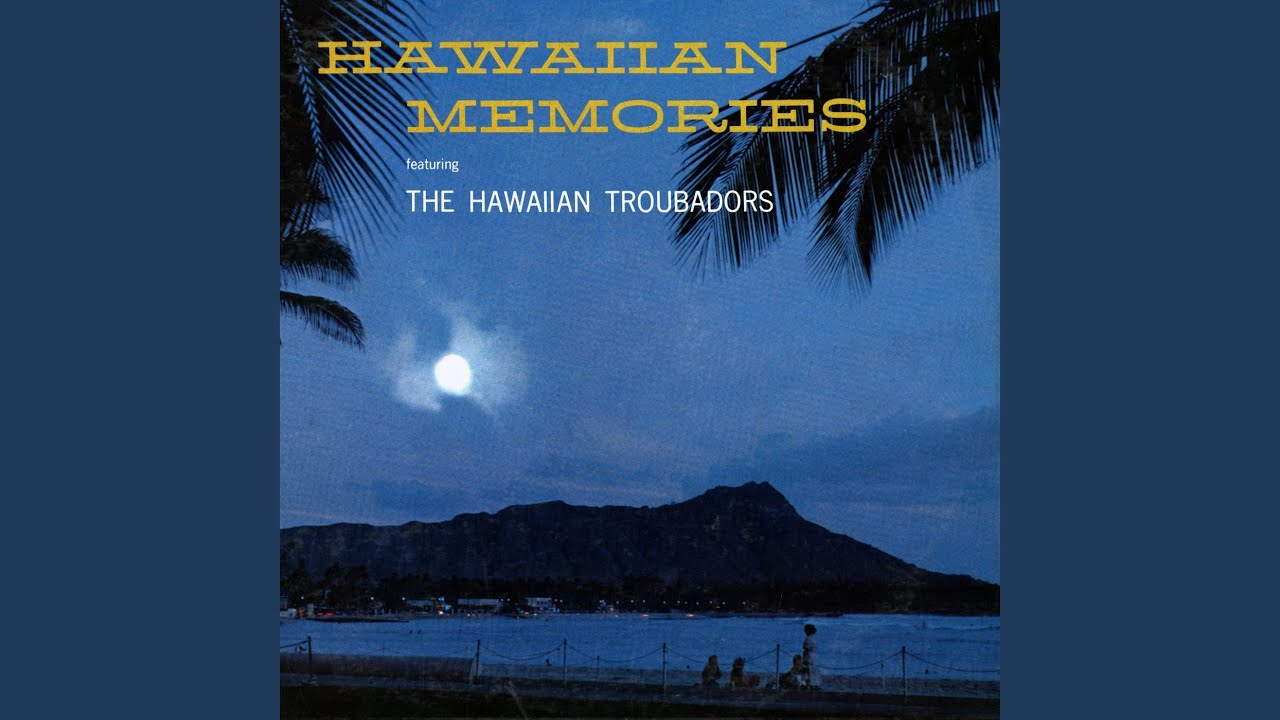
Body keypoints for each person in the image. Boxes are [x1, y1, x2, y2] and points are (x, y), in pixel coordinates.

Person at [802, 623, 821, 690]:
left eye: (805, 630)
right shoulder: (815, 638)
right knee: (814, 671)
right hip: (815, 656)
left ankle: (809, 685)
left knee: (808, 671)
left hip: (809, 656)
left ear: (808, 631)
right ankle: (815, 684)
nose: (805, 631)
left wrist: (803, 659)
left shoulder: (808, 639)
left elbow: (806, 649)